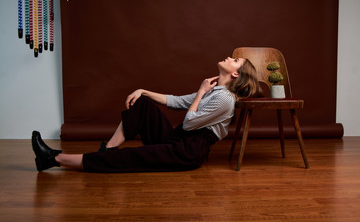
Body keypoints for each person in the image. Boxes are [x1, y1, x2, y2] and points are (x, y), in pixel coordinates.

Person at [31, 57, 260, 172]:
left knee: (131, 157)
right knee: (143, 104)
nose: (229, 57)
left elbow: (190, 124)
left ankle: (54, 159)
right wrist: (143, 91)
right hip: (177, 139)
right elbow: (178, 102)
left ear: (236, 73)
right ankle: (107, 151)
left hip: (187, 152)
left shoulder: (224, 99)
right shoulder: (216, 90)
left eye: (235, 59)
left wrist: (200, 92)